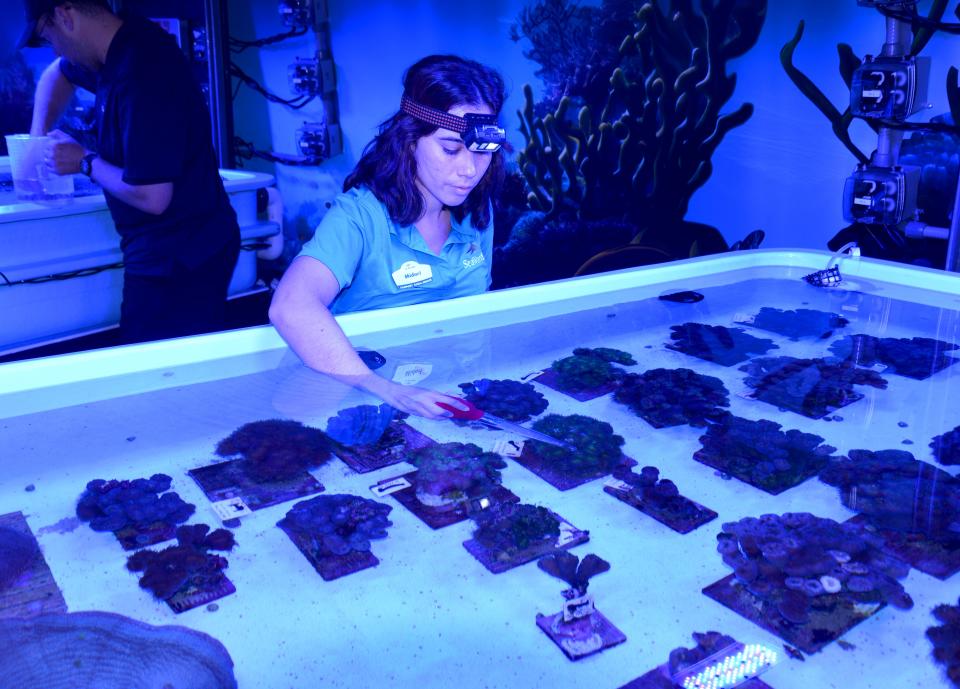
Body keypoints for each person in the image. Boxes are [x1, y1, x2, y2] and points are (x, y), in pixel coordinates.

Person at [269, 54, 507, 419]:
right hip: (357, 398)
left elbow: (477, 323)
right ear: (410, 141)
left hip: (444, 395)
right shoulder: (358, 216)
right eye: (449, 149)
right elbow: (290, 306)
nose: (469, 170)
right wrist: (388, 391)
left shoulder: (478, 214)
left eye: (480, 152)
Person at [18, 0, 240, 344]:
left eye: (50, 38)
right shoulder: (114, 49)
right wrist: (36, 140)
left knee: (155, 369)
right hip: (166, 248)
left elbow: (154, 197)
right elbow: (57, 74)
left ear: (65, 15)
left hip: (181, 257)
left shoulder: (143, 71)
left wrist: (84, 161)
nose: (54, 50)